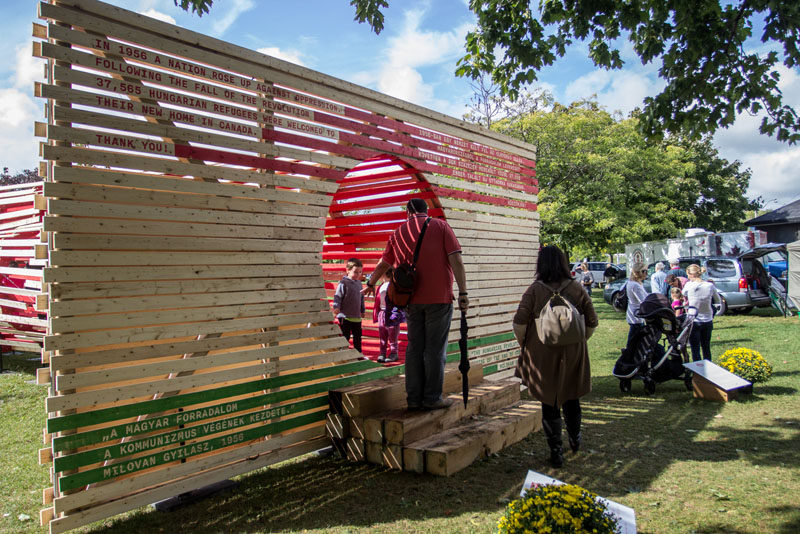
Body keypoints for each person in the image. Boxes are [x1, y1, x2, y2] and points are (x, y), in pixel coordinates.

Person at [363, 198, 469, 411]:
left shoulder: (398, 232)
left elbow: (384, 262)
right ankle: (432, 398)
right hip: (439, 298)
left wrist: (370, 283)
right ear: (425, 211)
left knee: (414, 348)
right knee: (434, 349)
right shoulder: (439, 226)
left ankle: (413, 399)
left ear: (407, 213)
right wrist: (463, 291)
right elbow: (456, 259)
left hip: (410, 300)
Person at [512, 245, 598, 468]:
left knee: (549, 401)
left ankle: (556, 450)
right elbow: (592, 321)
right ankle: (575, 438)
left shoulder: (535, 290)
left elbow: (520, 321)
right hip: (573, 351)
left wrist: (526, 344)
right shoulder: (576, 288)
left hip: (542, 352)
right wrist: (579, 340)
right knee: (572, 395)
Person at [684, 264, 721, 361]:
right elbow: (718, 300)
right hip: (707, 319)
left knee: (695, 348)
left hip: (693, 319)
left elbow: (683, 293)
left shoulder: (689, 285)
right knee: (706, 347)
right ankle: (709, 367)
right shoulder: (709, 285)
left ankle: (698, 371)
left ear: (691, 274)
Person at [333, 257, 366, 355]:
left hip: (356, 316)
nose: (358, 274)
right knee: (345, 336)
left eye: (360, 272)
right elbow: (337, 296)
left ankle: (358, 352)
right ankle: (342, 352)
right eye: (356, 272)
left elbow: (361, 298)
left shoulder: (359, 284)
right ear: (348, 270)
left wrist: (362, 310)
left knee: (357, 336)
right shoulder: (343, 283)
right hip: (345, 316)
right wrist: (336, 307)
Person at [373, 267, 404, 363]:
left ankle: (394, 353)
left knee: (392, 333)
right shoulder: (382, 285)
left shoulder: (393, 285)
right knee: (383, 333)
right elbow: (378, 300)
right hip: (383, 312)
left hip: (391, 313)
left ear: (384, 274)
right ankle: (382, 353)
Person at [623, 262, 649, 356]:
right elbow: (643, 300)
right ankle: (629, 354)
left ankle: (631, 353)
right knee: (634, 338)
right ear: (640, 272)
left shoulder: (633, 283)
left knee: (634, 337)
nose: (646, 273)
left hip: (634, 314)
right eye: (645, 271)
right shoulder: (635, 285)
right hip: (636, 315)